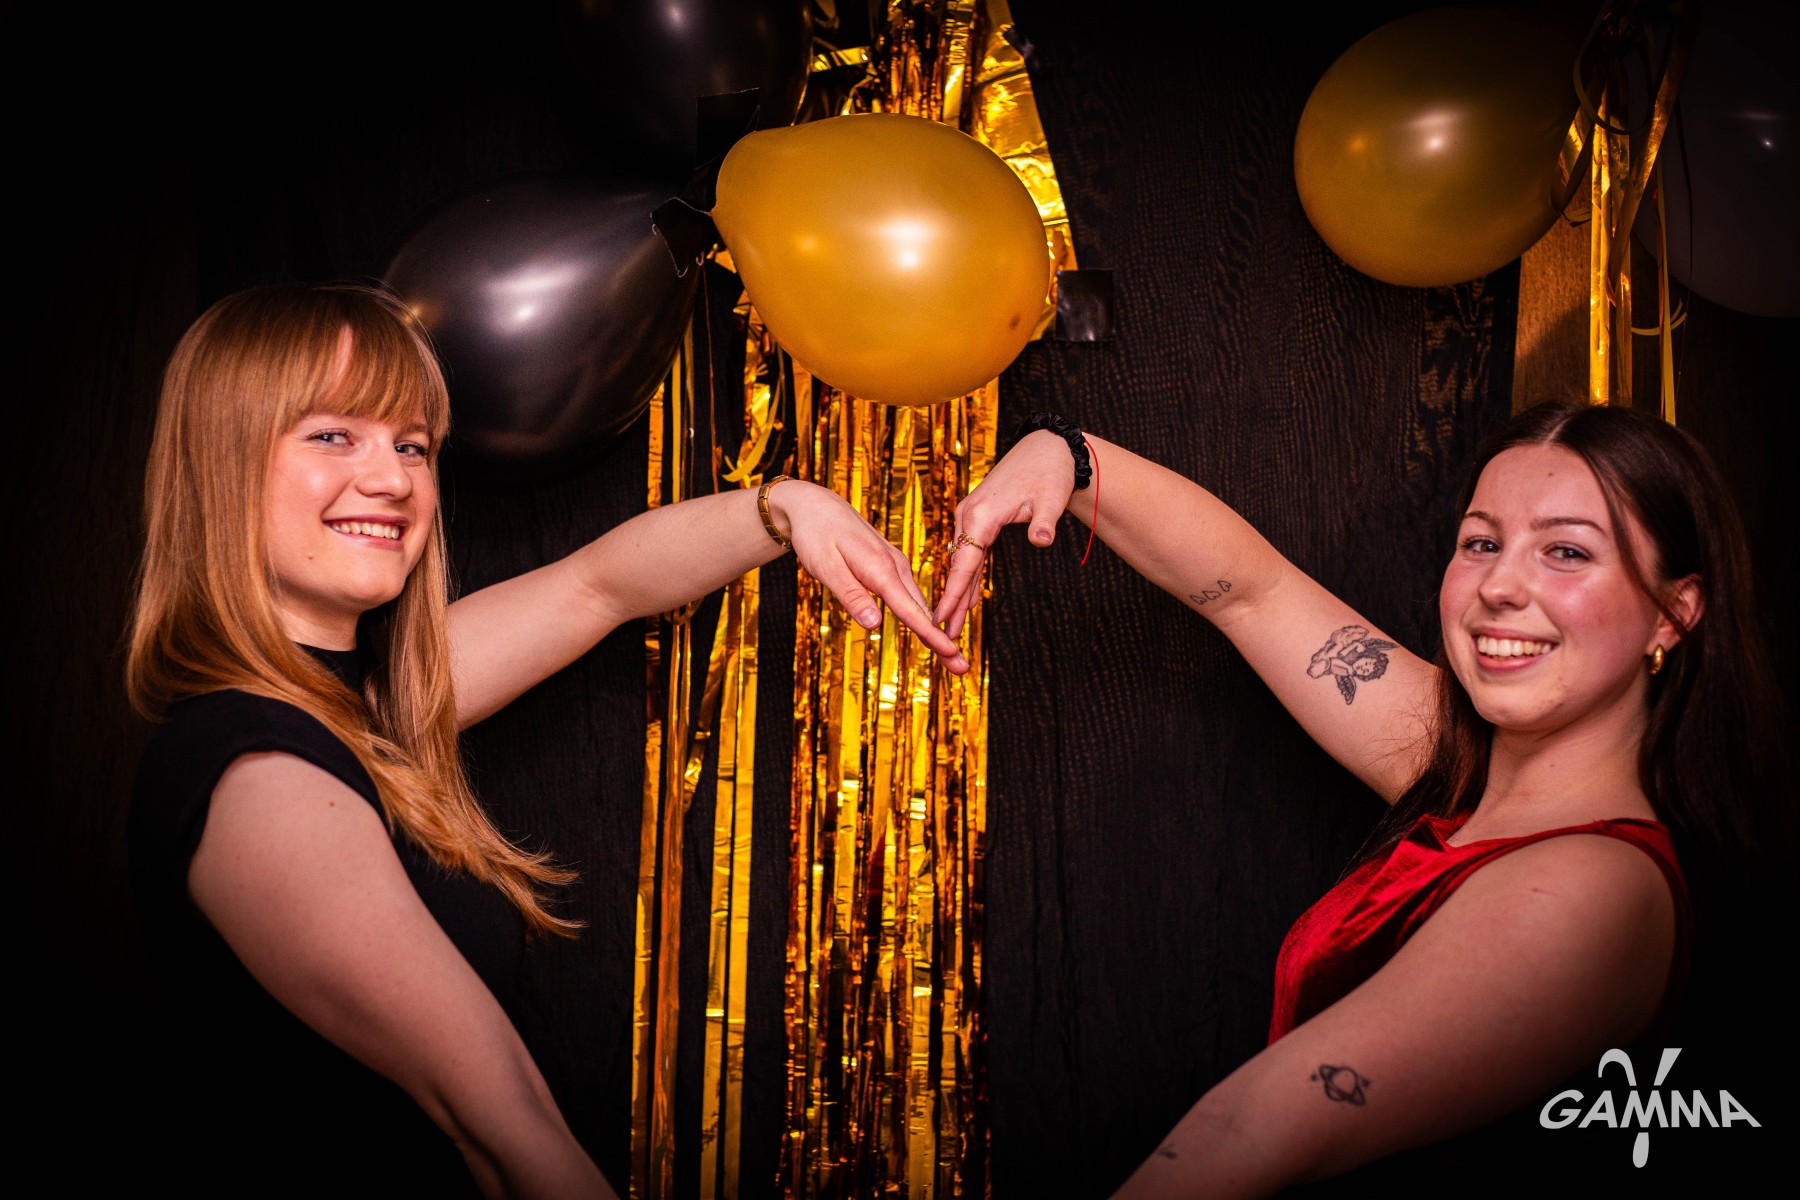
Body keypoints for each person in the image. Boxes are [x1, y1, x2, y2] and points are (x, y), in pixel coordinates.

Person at [125, 280, 967, 1198]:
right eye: (333, 435)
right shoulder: (258, 770)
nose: (394, 480)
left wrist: (787, 508)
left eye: (413, 445)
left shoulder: (360, 711)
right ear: (221, 463)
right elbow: (499, 1117)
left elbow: (597, 587)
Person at [935, 403, 1792, 1196]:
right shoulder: (1465, 769)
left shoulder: (1593, 887)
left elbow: (1255, 1126)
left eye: (1566, 552)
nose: (1500, 585)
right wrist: (1068, 456)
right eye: (1481, 542)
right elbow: (1254, 593)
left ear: (1673, 614)